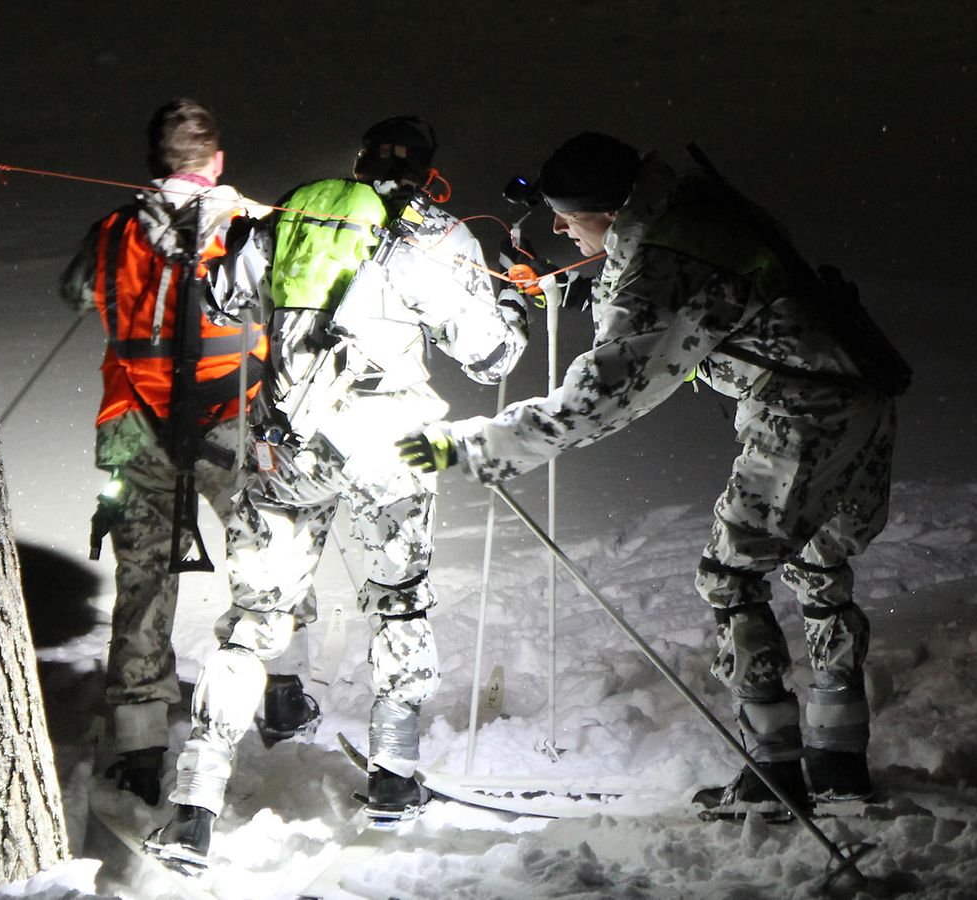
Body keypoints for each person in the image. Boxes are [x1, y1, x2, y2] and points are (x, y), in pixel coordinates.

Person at [399, 132, 903, 813]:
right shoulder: (688, 211)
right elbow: (695, 294)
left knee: (732, 575)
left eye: (564, 215)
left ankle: (773, 772)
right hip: (861, 397)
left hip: (804, 410)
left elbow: (608, 393)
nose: (554, 227)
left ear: (604, 211)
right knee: (818, 568)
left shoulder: (668, 253)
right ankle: (839, 761)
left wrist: (475, 448)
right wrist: (585, 293)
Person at [145, 116, 529, 864]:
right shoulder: (439, 237)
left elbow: (223, 302)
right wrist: (512, 298)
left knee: (253, 623)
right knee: (400, 602)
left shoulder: (301, 210)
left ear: (358, 161)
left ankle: (194, 806)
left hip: (288, 445)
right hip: (391, 447)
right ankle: (393, 776)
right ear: (428, 170)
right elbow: (489, 355)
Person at [59, 98, 268, 806]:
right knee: (265, 562)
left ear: (156, 164)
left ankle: (140, 740)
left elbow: (76, 292)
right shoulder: (252, 225)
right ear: (217, 162)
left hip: (135, 424)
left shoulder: (117, 227)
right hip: (232, 420)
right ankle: (275, 697)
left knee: (143, 577)